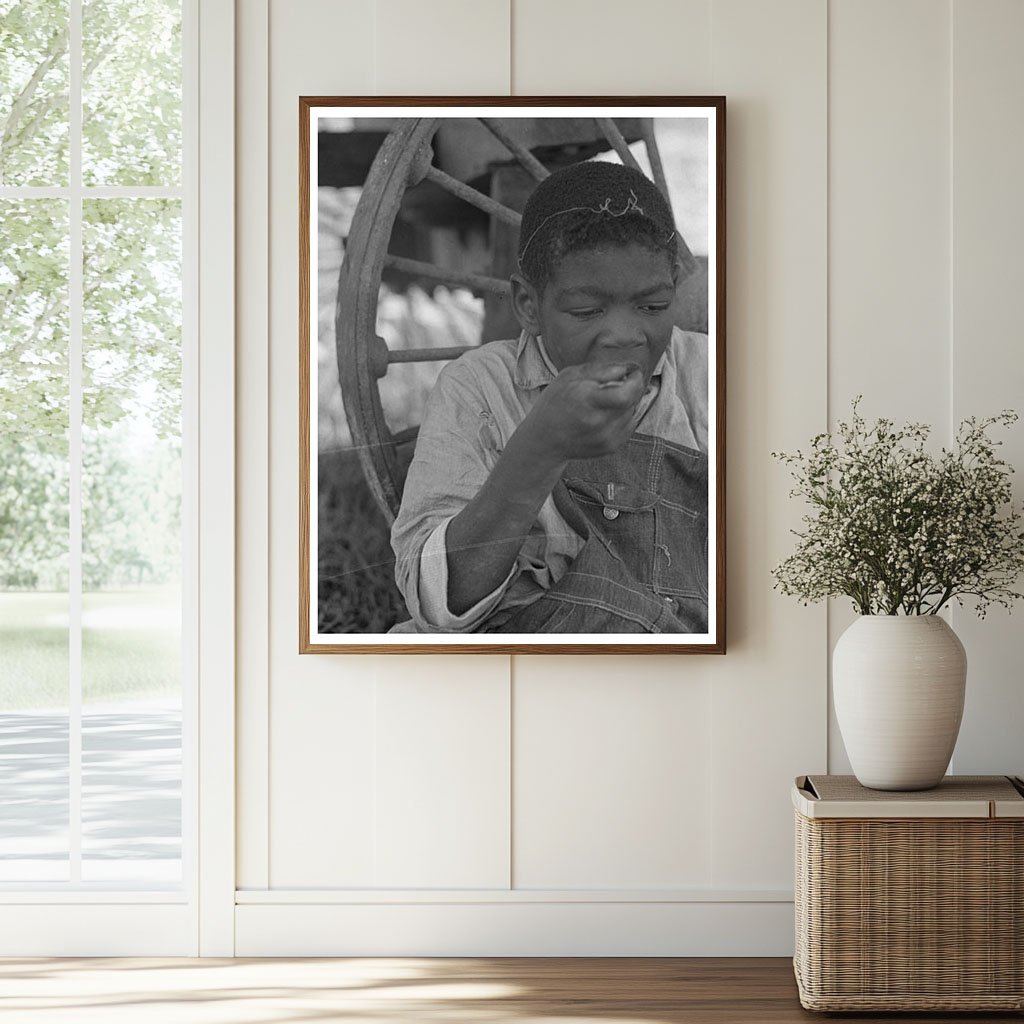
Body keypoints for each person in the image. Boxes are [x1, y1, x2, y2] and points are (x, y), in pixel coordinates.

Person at [390, 159, 709, 634]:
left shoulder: (707, 377)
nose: (624, 336)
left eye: (653, 307)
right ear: (528, 306)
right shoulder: (480, 387)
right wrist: (539, 449)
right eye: (585, 311)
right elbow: (436, 603)